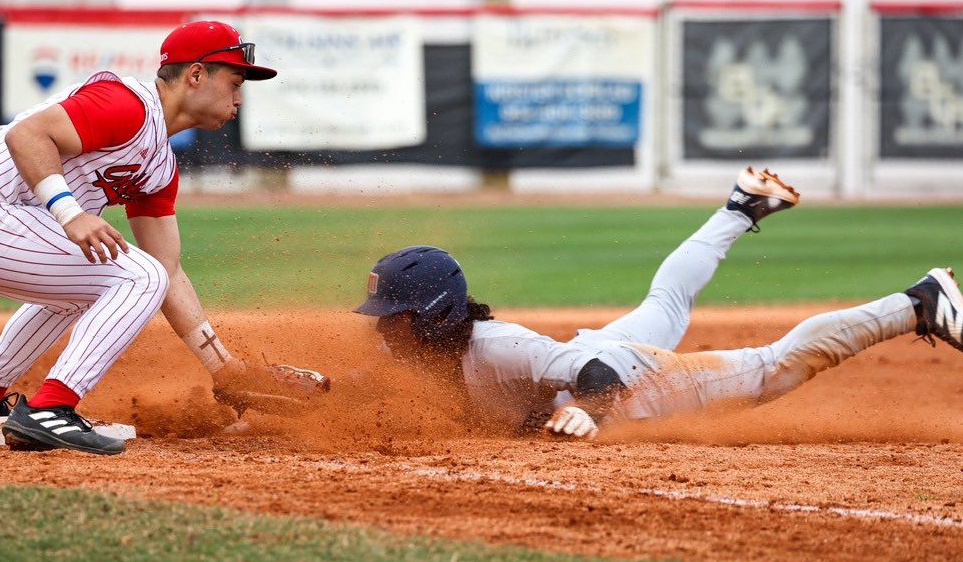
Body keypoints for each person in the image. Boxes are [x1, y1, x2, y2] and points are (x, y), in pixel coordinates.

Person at [353, 167, 963, 439]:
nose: (384, 333)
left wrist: (593, 412)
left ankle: (917, 303)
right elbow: (358, 390)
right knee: (667, 300)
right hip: (596, 352)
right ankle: (740, 208)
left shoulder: (497, 346)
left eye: (395, 321)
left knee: (774, 367)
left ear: (436, 316)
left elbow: (599, 373)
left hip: (631, 376)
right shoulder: (419, 363)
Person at [0, 20, 287, 455]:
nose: (239, 98)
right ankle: (51, 409)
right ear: (195, 75)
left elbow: (168, 271)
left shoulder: (159, 166)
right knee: (134, 275)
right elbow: (28, 134)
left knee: (113, 276)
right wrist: (71, 213)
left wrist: (223, 367)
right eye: (234, 81)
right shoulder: (128, 104)